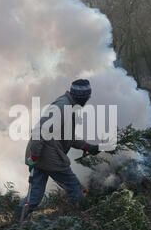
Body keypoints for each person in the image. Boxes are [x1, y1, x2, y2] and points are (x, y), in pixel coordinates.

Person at [14, 79, 99, 221]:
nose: (88, 100)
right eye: (87, 97)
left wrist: (87, 146)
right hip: (48, 156)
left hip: (40, 155)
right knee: (73, 186)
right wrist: (35, 157)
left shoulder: (69, 106)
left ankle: (15, 225)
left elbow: (67, 136)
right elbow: (39, 132)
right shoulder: (63, 107)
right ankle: (84, 221)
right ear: (82, 96)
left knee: (34, 197)